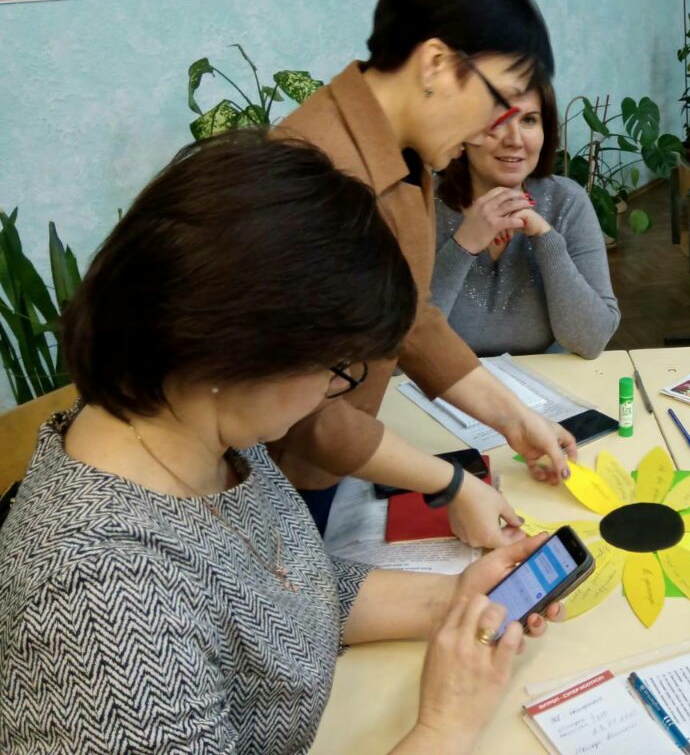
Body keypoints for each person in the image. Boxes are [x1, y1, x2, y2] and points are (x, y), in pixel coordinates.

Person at [0, 133, 562, 754]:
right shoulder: (103, 595)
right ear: (242, 351)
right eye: (336, 368)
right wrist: (445, 725)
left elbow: (287, 595)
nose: (332, 391)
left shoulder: (202, 428)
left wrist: (453, 599)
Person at [273, 0, 578, 545]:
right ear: (437, 64)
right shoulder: (321, 181)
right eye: (500, 101)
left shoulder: (402, 155)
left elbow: (407, 316)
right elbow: (297, 408)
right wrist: (452, 484)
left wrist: (514, 418)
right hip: (280, 481)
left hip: (336, 454)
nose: (496, 130)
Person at [433, 76, 620, 357]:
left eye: (529, 120)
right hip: (445, 381)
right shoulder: (421, 205)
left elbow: (591, 341)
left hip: (542, 380)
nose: (515, 140)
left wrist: (546, 239)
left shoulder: (567, 200)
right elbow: (397, 354)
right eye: (497, 120)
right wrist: (463, 245)